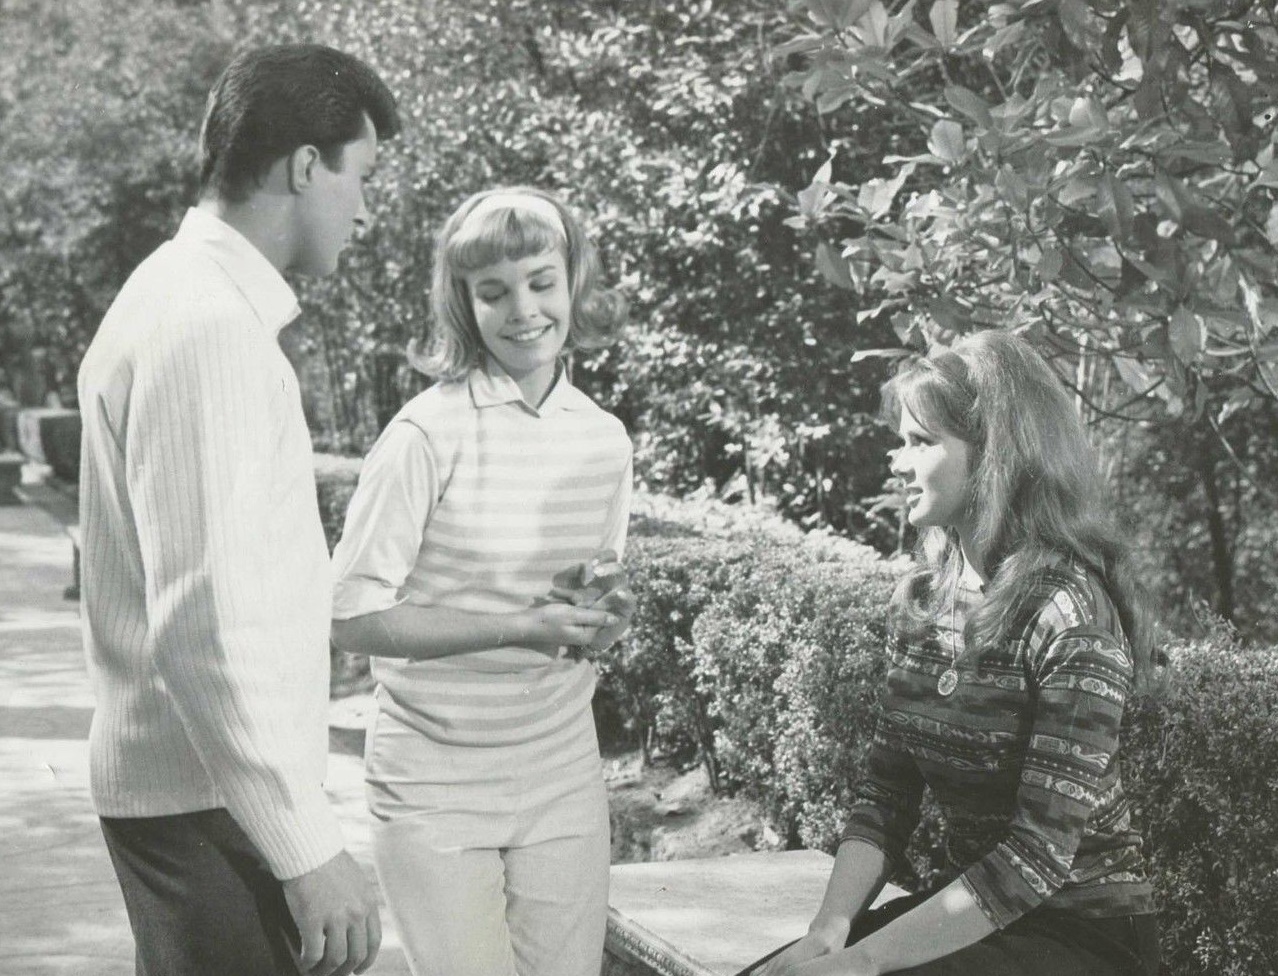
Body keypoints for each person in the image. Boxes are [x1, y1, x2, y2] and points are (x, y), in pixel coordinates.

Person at [77, 44, 400, 976]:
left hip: (197, 797)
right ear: (306, 165)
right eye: (361, 176)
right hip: (205, 809)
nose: (367, 208)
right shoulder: (207, 328)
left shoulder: (180, 299)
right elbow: (204, 625)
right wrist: (305, 847)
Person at [750, 330, 1161, 976]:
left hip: (1082, 936)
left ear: (995, 455)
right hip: (975, 918)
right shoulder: (923, 599)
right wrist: (829, 935)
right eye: (901, 440)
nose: (897, 460)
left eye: (920, 443)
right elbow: (885, 799)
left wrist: (865, 964)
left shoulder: (1071, 613)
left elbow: (1035, 859)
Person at [329, 186, 635, 976]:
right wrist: (518, 628)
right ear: (464, 303)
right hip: (433, 779)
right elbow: (350, 618)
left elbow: (591, 600)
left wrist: (605, 616)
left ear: (574, 281)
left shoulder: (604, 439)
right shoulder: (424, 435)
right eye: (493, 291)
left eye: (542, 281)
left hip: (561, 768)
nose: (524, 309)